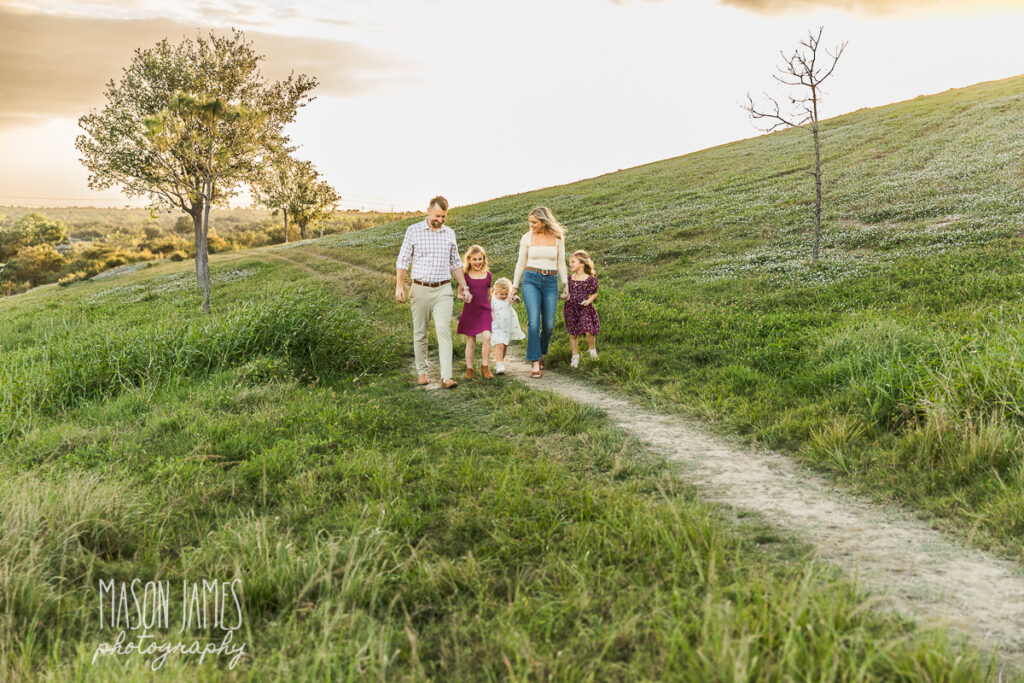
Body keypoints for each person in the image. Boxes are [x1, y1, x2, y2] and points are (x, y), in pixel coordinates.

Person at [395, 196, 472, 389]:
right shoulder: (413, 231)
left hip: (443, 289)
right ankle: (422, 372)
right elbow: (403, 260)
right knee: (420, 332)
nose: (441, 220)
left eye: (444, 216)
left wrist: (464, 285)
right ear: (428, 210)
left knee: (444, 331)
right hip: (420, 288)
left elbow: (455, 262)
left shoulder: (449, 234)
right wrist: (399, 285)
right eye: (438, 215)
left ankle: (447, 376)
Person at [511, 206, 568, 378]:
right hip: (531, 280)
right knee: (534, 322)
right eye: (530, 222)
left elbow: (561, 264)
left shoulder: (558, 238)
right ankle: (535, 361)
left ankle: (541, 353)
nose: (531, 225)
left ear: (544, 221)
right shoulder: (526, 238)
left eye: (534, 222)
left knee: (549, 325)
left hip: (550, 282)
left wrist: (566, 284)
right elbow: (521, 263)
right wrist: (515, 285)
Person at [456, 245, 493, 379]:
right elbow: (459, 295)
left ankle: (485, 367)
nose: (478, 262)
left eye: (480, 259)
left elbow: (488, 295)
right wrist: (464, 298)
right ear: (469, 260)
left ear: (484, 259)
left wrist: (491, 310)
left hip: (484, 311)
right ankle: (469, 369)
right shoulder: (464, 276)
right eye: (474, 259)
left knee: (487, 337)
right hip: (470, 311)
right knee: (470, 341)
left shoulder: (488, 275)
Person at [564, 250, 600, 368]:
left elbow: (594, 293)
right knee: (573, 333)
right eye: (570, 262)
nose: (571, 264)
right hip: (571, 309)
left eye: (573, 262)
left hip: (584, 308)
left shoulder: (589, 279)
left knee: (588, 330)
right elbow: (566, 293)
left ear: (582, 263)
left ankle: (592, 352)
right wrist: (565, 296)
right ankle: (575, 356)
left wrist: (589, 301)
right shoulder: (569, 278)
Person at [489, 277, 525, 375]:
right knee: (499, 345)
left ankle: (500, 361)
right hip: (497, 327)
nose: (504, 296)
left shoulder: (508, 299)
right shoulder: (492, 300)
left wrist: (516, 298)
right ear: (495, 291)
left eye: (506, 294)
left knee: (504, 345)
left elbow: (515, 299)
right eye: (502, 294)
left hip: (507, 327)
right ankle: (499, 365)